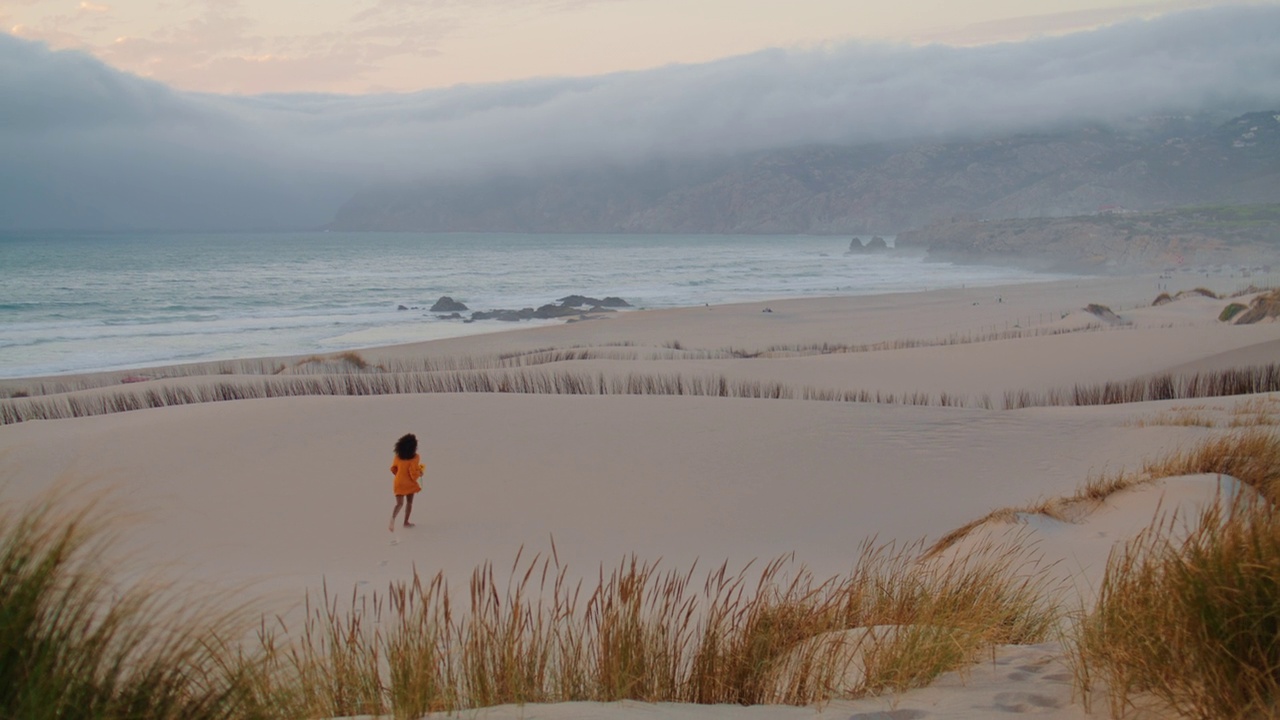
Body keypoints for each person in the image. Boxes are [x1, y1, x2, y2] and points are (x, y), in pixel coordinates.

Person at [389, 433, 424, 532]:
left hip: (398, 482)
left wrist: (399, 475)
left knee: (399, 504)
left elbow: (393, 469)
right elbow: (413, 473)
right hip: (409, 483)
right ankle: (406, 522)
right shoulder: (415, 458)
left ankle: (392, 519)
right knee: (409, 502)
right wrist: (420, 473)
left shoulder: (397, 457)